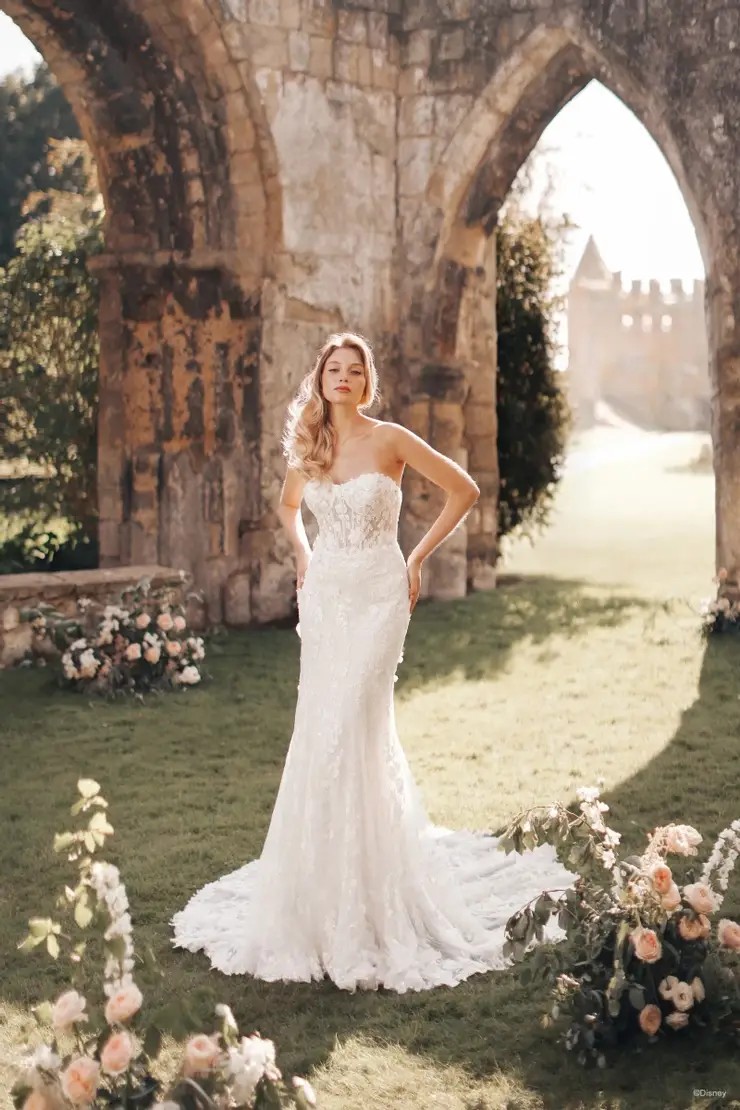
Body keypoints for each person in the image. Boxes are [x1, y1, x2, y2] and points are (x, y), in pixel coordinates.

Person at [171, 331, 572, 992]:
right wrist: (303, 556)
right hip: (326, 599)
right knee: (324, 734)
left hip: (381, 594)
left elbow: (464, 490)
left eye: (356, 370)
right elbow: (288, 506)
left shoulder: (390, 439)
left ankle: (374, 901)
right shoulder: (310, 442)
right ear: (321, 376)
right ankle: (325, 892)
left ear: (367, 380)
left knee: (352, 725)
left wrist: (416, 558)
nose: (345, 378)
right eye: (335, 368)